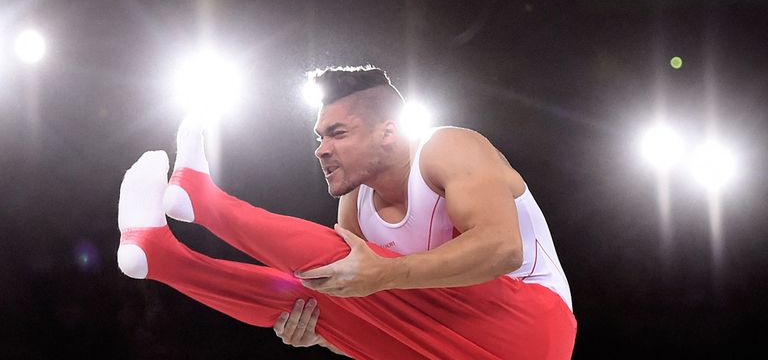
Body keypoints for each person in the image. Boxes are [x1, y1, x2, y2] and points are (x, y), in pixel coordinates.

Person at [117, 66, 576, 359]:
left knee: (344, 264)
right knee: (317, 292)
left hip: (535, 332)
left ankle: (204, 200)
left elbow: (502, 248)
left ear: (388, 134)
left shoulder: (448, 148)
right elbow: (374, 316)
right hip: (449, 346)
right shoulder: (355, 205)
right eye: (319, 137)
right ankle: (161, 257)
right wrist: (326, 335)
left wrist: (385, 274)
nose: (321, 149)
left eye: (337, 133)